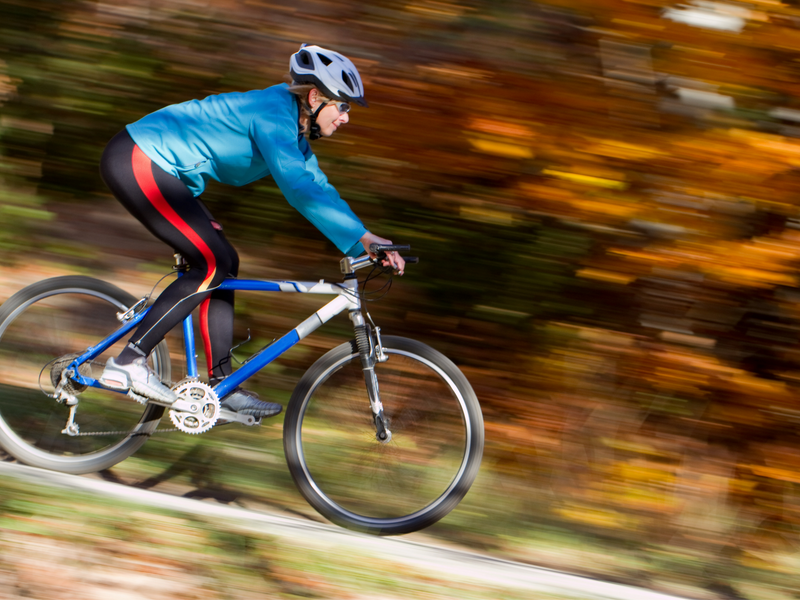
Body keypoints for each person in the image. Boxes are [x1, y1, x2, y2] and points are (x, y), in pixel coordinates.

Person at [97, 44, 405, 418]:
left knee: (225, 262)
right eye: (343, 106)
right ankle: (129, 363)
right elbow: (299, 188)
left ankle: (220, 386)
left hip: (162, 170)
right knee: (211, 263)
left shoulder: (295, 135)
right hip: (139, 157)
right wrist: (364, 239)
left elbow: (319, 187)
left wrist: (365, 239)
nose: (346, 117)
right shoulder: (275, 115)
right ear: (314, 97)